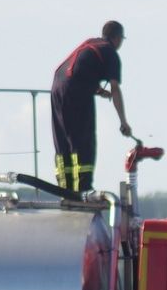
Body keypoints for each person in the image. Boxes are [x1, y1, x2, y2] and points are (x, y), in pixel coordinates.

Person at [50, 20, 132, 193]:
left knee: (64, 141)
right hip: (75, 91)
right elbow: (115, 89)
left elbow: (80, 70)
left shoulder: (91, 44)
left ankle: (65, 191)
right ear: (117, 38)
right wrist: (123, 122)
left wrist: (99, 91)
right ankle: (82, 191)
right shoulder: (111, 53)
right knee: (83, 141)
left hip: (57, 87)